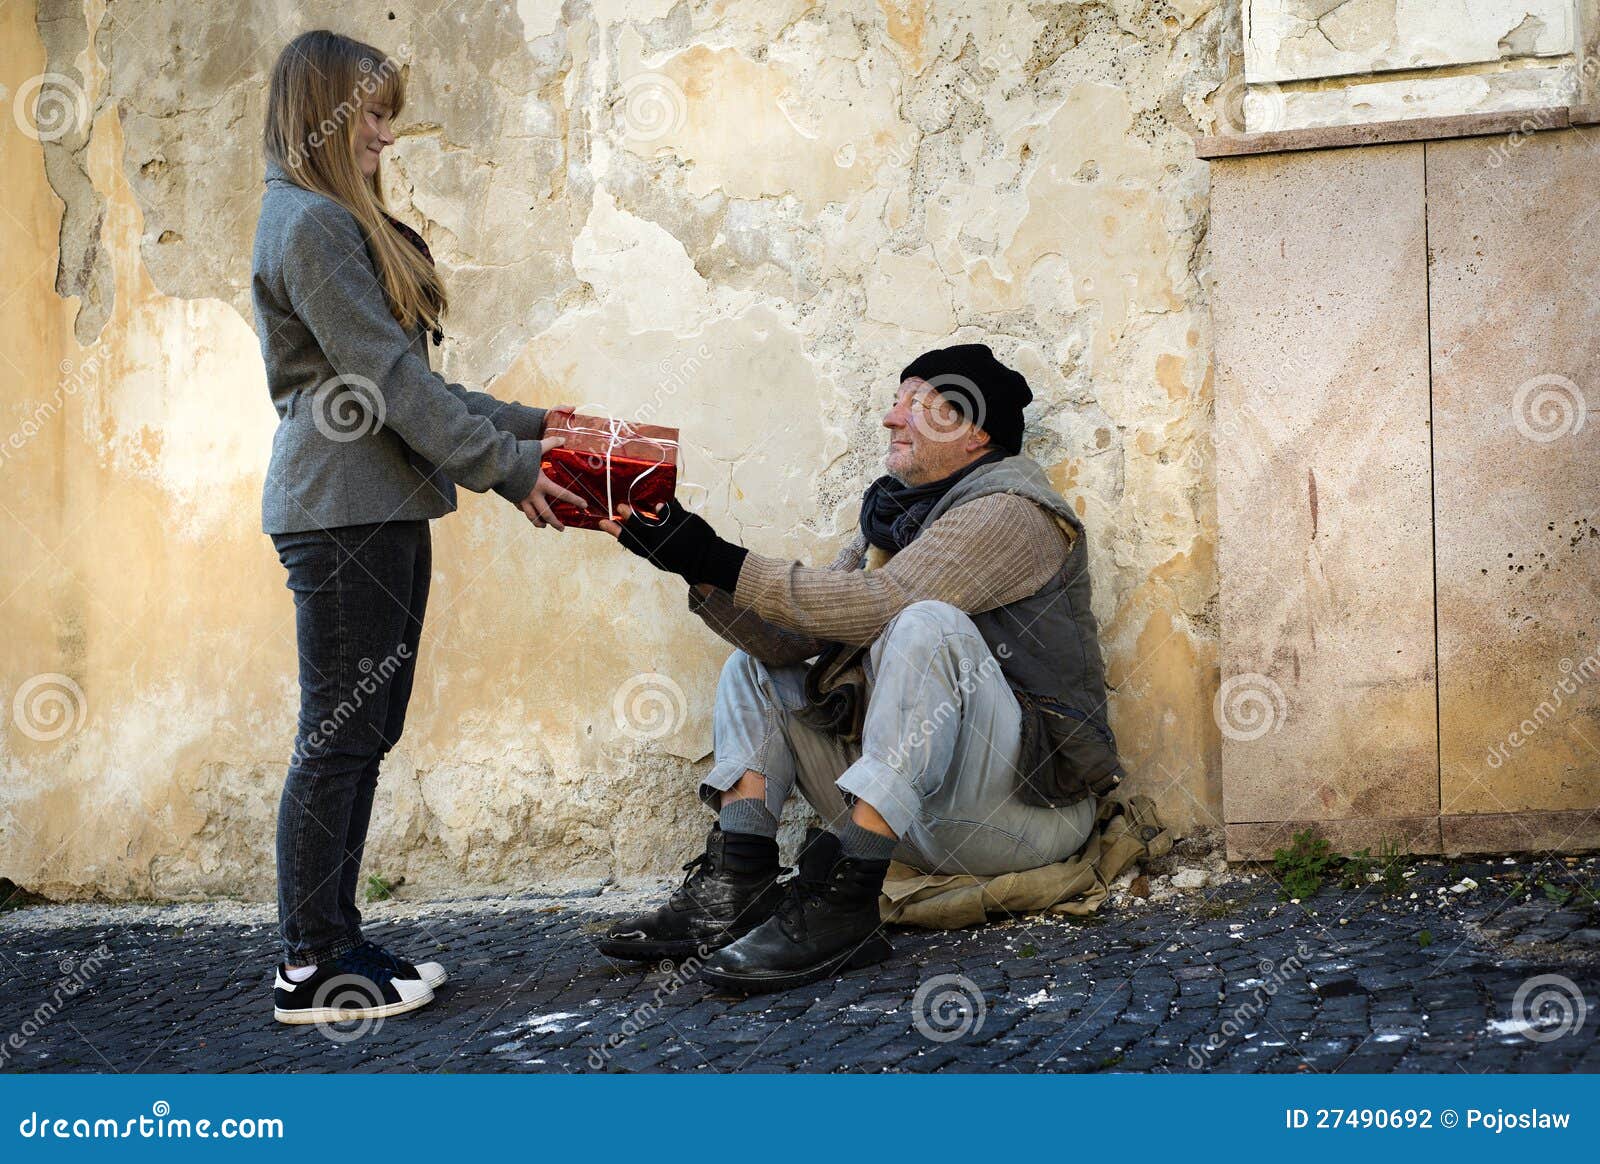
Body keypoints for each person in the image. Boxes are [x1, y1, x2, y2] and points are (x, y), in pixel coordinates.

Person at [599, 342, 1124, 993]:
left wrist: (718, 554)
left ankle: (845, 905)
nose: (892, 418)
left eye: (919, 405)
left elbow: (879, 605)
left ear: (976, 434)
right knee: (756, 666)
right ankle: (739, 881)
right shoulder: (895, 518)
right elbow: (798, 638)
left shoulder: (1012, 512)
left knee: (924, 623)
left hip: (1022, 815)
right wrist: (693, 565)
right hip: (922, 816)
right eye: (896, 401)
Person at [253, 30, 585, 1025]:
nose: (386, 137)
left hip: (373, 504)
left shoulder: (321, 220)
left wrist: (540, 427)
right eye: (373, 117)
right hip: (346, 508)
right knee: (342, 736)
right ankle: (313, 962)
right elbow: (385, 385)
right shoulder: (309, 225)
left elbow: (419, 386)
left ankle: (336, 941)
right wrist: (510, 470)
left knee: (362, 733)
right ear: (326, 114)